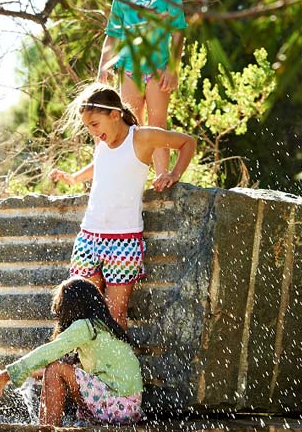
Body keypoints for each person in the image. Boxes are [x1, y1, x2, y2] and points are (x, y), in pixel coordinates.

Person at [49, 84, 195, 330]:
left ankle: (117, 369)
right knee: (82, 313)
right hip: (89, 237)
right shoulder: (103, 142)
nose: (92, 131)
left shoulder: (142, 137)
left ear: (114, 115)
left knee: (115, 316)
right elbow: (102, 165)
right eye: (87, 127)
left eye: (94, 124)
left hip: (123, 240)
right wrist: (73, 178)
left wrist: (173, 174)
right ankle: (86, 368)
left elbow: (187, 143)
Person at [0, 277, 143, 426]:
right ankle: (44, 427)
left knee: (55, 368)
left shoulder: (85, 327)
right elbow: (48, 371)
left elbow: (46, 354)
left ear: (71, 308)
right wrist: (11, 375)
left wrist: (6, 376)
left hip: (118, 404)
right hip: (128, 407)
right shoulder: (102, 327)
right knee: (54, 369)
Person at [96, 0, 187, 177]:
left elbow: (178, 33)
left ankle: (162, 177)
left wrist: (173, 69)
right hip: (129, 71)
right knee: (130, 126)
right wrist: (104, 65)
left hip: (158, 71)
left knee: (157, 125)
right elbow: (112, 35)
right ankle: (131, 178)